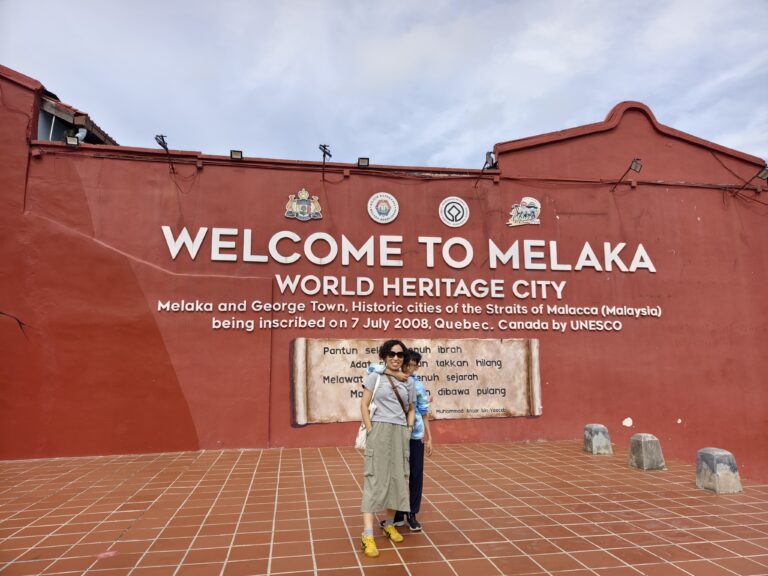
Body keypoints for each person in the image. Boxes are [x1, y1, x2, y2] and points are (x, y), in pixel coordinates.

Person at [359, 340, 416, 558]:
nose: (396, 358)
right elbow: (364, 404)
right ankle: (367, 535)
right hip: (379, 430)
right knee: (374, 479)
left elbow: (412, 409)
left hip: (400, 433)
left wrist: (408, 429)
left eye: (400, 355)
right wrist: (370, 430)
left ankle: (389, 524)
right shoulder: (375, 377)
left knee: (397, 479)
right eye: (391, 354)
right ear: (384, 356)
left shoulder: (409, 382)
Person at [371, 349, 432, 532]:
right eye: (408, 364)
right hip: (395, 432)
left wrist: (429, 437)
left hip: (415, 435)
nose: (410, 369)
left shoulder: (418, 385)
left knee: (415, 474)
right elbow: (372, 368)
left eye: (414, 365)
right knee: (396, 475)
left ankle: (412, 514)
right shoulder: (390, 377)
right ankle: (396, 514)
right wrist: (393, 373)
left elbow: (424, 411)